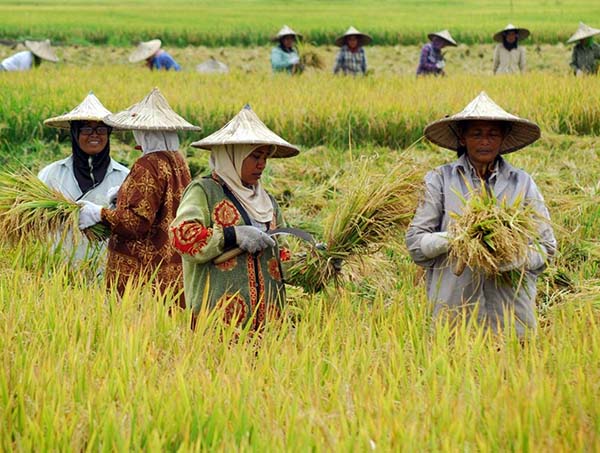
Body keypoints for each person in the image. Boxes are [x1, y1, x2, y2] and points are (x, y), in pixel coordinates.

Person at [406, 91, 556, 338]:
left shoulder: (522, 183)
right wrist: (456, 238)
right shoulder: (439, 180)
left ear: (503, 138)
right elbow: (416, 244)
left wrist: (514, 257)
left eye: (492, 134)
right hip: (455, 317)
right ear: (462, 138)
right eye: (477, 134)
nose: (485, 141)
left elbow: (547, 247)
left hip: (512, 318)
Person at [169, 105, 300, 330]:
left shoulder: (267, 202)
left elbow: (283, 256)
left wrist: (318, 266)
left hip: (269, 328)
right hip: (217, 325)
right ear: (232, 156)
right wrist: (232, 235)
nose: (262, 164)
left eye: (265, 157)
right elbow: (181, 236)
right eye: (255, 157)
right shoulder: (204, 191)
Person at [78, 88, 199, 307]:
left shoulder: (148, 164)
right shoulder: (178, 162)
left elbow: (135, 224)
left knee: (136, 334)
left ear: (144, 132)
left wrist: (99, 213)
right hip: (171, 269)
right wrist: (124, 195)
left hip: (142, 277)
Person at [39, 92, 129, 264]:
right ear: (74, 132)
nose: (94, 134)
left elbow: (133, 226)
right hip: (59, 272)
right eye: (86, 129)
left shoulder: (125, 177)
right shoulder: (51, 175)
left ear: (109, 133)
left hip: (106, 273)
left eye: (101, 129)